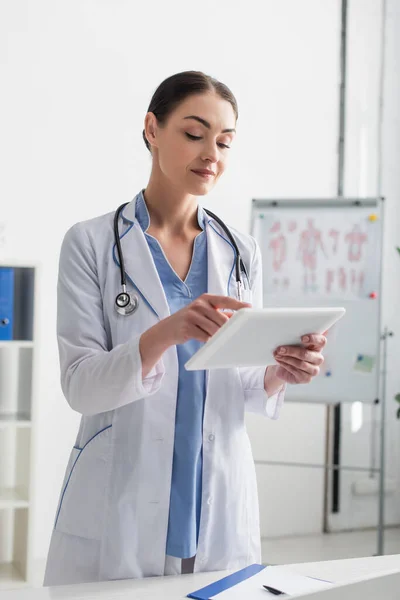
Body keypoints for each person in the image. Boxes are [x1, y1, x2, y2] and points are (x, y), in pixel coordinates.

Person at [43, 71, 326, 586]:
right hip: (122, 494)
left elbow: (240, 385)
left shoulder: (240, 252)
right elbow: (81, 387)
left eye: (224, 141)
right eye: (194, 134)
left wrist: (281, 372)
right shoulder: (89, 244)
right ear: (152, 128)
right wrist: (164, 333)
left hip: (212, 495)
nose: (211, 153)